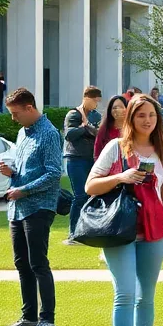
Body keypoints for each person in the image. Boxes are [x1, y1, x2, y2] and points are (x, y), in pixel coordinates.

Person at [88, 94, 163, 326]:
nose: (147, 120)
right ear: (130, 118)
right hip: (121, 230)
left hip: (155, 231)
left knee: (146, 297)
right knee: (125, 293)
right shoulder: (116, 147)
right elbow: (90, 185)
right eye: (141, 115)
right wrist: (121, 177)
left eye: (151, 115)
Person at [0, 88, 63, 326]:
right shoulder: (23, 132)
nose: (13, 118)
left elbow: (54, 173)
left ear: (29, 108)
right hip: (18, 208)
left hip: (39, 206)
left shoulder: (49, 133)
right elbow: (27, 169)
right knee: (22, 263)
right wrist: (11, 172)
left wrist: (24, 189)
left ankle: (47, 320)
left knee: (38, 263)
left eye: (16, 113)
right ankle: (28, 317)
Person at [62, 86, 103, 241]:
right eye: (95, 101)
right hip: (76, 159)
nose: (96, 104)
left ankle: (88, 230)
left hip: (91, 159)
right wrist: (85, 128)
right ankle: (73, 233)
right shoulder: (73, 114)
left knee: (92, 195)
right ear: (87, 98)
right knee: (80, 196)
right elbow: (69, 135)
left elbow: (99, 133)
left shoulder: (95, 115)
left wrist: (87, 128)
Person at [94, 96, 128, 160]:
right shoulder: (104, 129)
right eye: (114, 108)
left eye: (121, 107)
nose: (118, 110)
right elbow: (97, 153)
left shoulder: (132, 128)